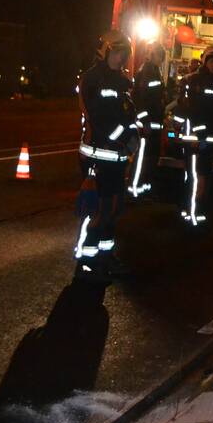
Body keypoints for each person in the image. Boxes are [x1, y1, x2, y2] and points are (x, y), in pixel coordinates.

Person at [74, 30, 136, 280]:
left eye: (124, 54)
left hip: (116, 156)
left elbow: (126, 114)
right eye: (118, 52)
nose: (121, 58)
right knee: (99, 210)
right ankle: (88, 262)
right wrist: (125, 137)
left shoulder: (120, 80)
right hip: (98, 154)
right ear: (106, 50)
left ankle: (105, 256)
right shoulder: (92, 80)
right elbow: (100, 119)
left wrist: (133, 136)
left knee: (114, 209)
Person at [173, 45, 213, 226]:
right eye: (212, 61)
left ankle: (193, 211)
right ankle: (192, 216)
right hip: (195, 139)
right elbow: (188, 110)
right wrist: (195, 133)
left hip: (206, 138)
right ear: (205, 61)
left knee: (200, 177)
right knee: (198, 177)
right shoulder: (195, 81)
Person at [129, 41, 167, 198]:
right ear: (153, 55)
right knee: (142, 159)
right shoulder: (148, 71)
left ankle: (142, 189)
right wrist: (145, 122)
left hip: (153, 124)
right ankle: (134, 190)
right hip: (147, 125)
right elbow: (142, 99)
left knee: (149, 159)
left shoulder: (154, 71)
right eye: (160, 56)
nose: (161, 59)